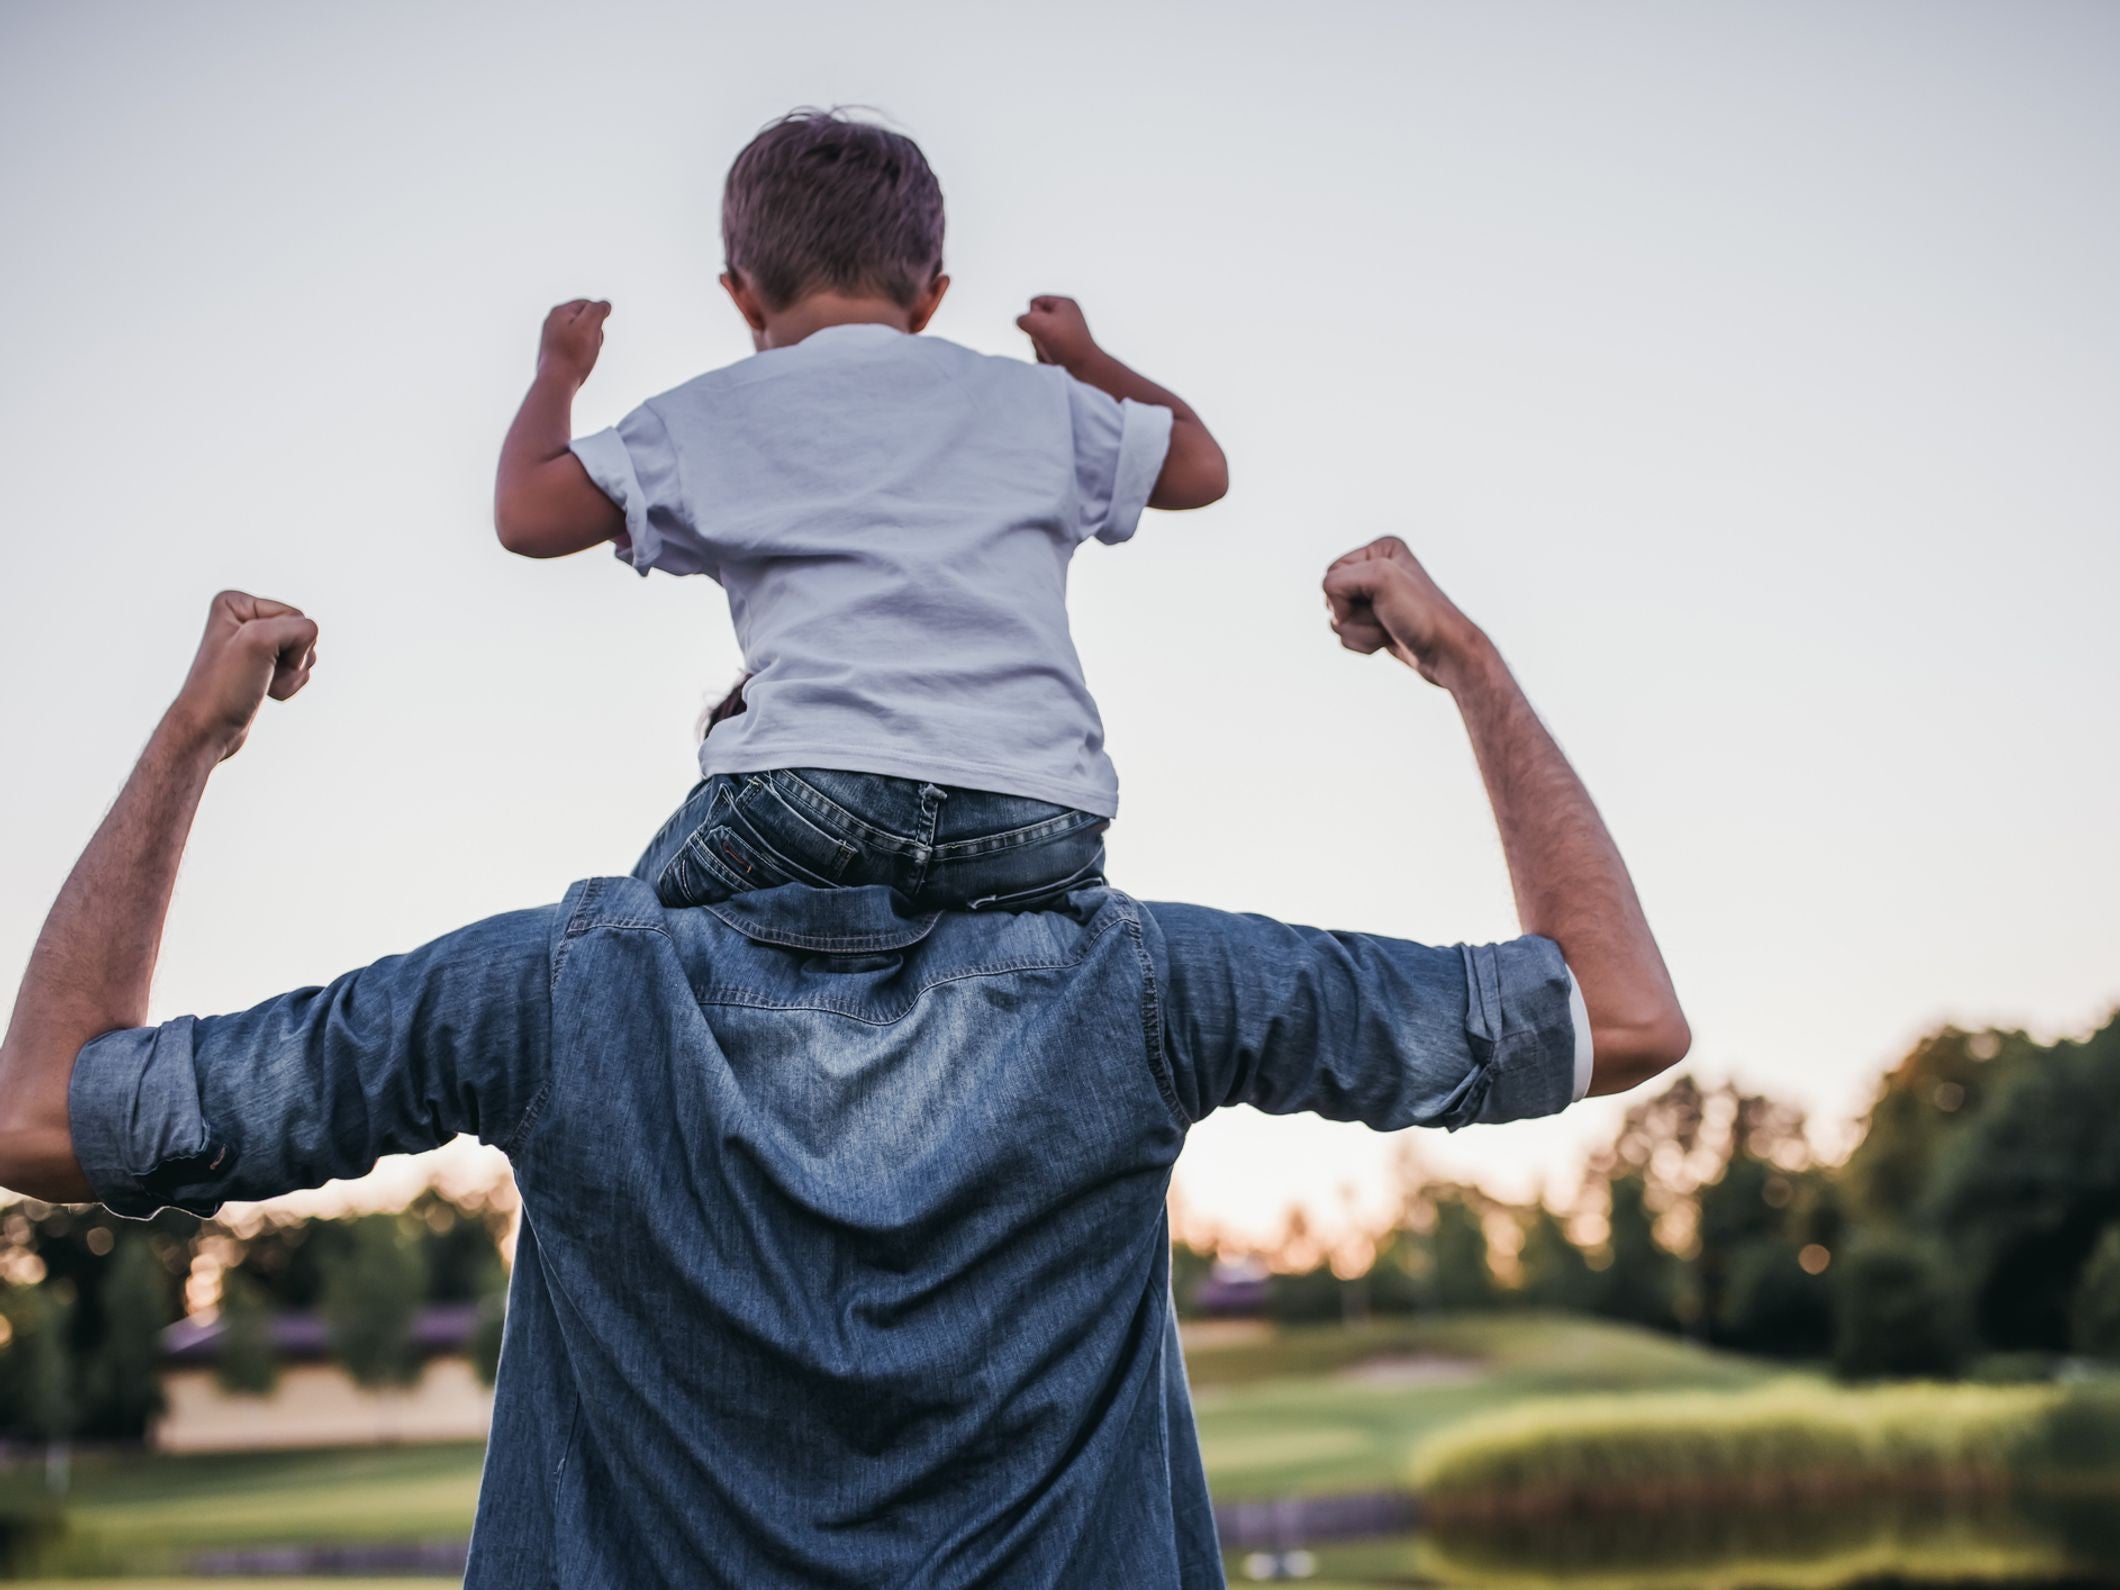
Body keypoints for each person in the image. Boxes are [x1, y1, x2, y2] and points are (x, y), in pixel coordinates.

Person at [0, 538, 1687, 1588]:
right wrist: (1463, 663)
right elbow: (1621, 1015)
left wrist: (189, 743)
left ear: (735, 768)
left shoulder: (548, 995)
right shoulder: (1144, 988)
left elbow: (45, 1115)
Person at [493, 109, 1230, 913]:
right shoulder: (1037, 402)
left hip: (813, 798)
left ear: (741, 296)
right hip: (1040, 816)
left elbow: (527, 514)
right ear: (931, 297)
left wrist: (557, 371)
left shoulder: (715, 413)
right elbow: (1201, 467)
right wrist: (1084, 359)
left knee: (620, 940)